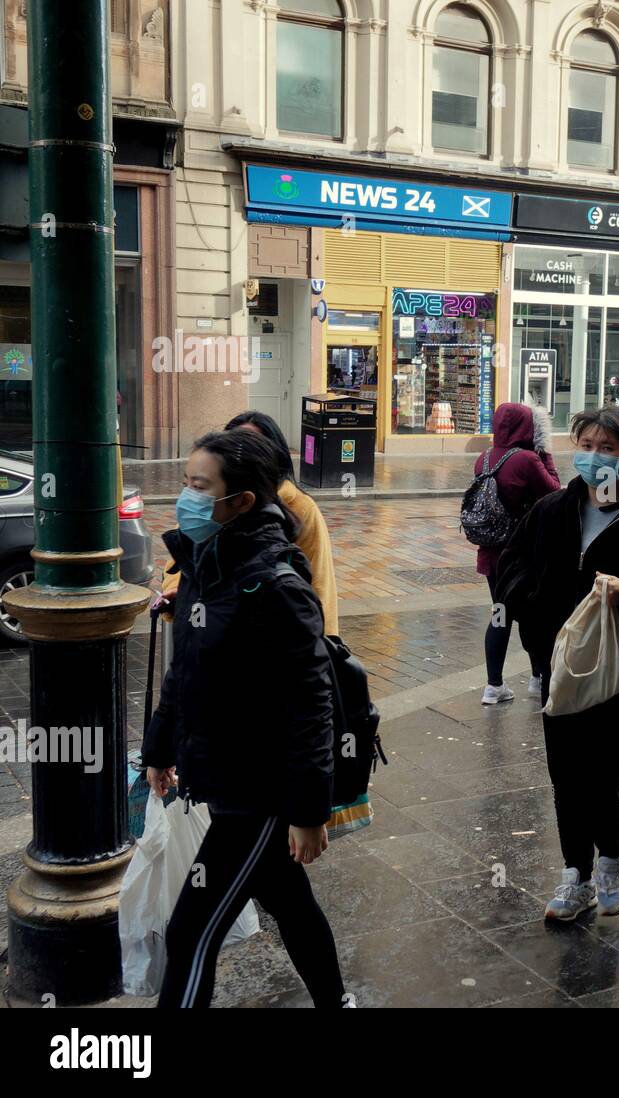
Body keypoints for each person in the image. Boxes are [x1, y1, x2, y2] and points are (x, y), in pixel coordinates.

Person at [142, 429, 345, 1008]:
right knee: (288, 898)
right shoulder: (207, 564)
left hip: (260, 792)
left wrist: (308, 813)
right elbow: (186, 673)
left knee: (190, 933)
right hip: (224, 774)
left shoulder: (275, 585)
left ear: (243, 501)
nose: (186, 496)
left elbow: (311, 707)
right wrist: (160, 749)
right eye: (186, 482)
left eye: (199, 487)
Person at [495, 406, 619, 922]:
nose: (593, 456)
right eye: (585, 444)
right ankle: (574, 876)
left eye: (606, 447)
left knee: (605, 770)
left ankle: (610, 860)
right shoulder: (552, 509)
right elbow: (512, 564)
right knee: (566, 769)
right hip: (560, 663)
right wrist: (532, 607)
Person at [161, 410, 339, 636]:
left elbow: (320, 584)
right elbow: (180, 562)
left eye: (252, 446)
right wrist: (178, 591)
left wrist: (327, 640)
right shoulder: (207, 509)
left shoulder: (300, 508)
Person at [472, 401, 561, 705]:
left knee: (500, 614)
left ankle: (493, 685)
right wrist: (545, 452)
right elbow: (554, 491)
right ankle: (538, 679)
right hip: (523, 554)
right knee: (534, 615)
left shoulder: (483, 458)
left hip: (491, 553)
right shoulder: (526, 460)